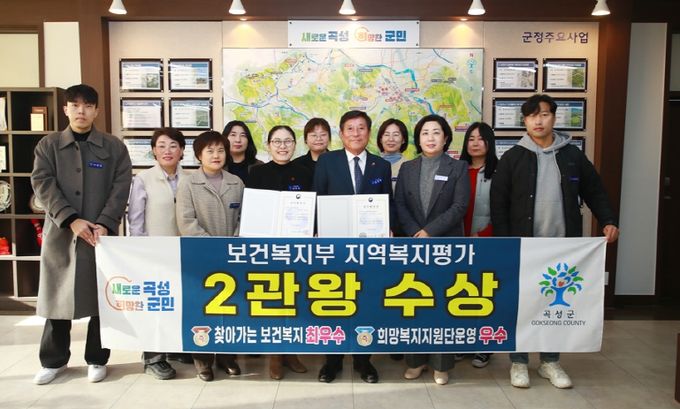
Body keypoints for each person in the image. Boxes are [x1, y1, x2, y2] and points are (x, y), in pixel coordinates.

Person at [491, 93, 619, 389]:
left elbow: (594, 190)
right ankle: (519, 362)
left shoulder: (572, 155)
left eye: (545, 114)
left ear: (554, 117)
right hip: (524, 248)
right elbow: (499, 204)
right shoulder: (513, 157)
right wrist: (504, 243)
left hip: (562, 247)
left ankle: (550, 361)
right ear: (524, 121)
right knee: (522, 304)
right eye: (532, 115)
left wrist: (608, 219)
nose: (538, 120)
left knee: (555, 305)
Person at [31, 84, 132, 385]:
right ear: (65, 109)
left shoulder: (113, 147)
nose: (81, 111)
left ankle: (97, 358)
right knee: (58, 298)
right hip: (62, 233)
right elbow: (42, 184)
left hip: (101, 236)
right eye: (75, 105)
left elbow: (121, 186)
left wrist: (105, 222)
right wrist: (71, 219)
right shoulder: (48, 145)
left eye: (88, 105)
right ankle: (53, 361)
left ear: (96, 110)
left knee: (101, 298)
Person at [313, 110, 393, 384]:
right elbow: (317, 198)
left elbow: (387, 202)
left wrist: (388, 228)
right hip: (334, 247)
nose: (356, 133)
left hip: (369, 248)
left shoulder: (381, 166)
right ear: (341, 134)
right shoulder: (327, 161)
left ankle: (363, 361)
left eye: (361, 128)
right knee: (334, 301)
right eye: (350, 128)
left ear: (369, 133)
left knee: (365, 301)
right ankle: (332, 362)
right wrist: (317, 231)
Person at [394, 114, 469, 386]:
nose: (430, 138)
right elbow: (400, 204)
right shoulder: (408, 168)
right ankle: (415, 361)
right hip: (413, 244)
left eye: (436, 132)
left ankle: (441, 365)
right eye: (425, 133)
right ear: (418, 138)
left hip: (445, 245)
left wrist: (430, 232)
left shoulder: (457, 167)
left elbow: (459, 207)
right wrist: (416, 232)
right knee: (414, 302)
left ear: (446, 137)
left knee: (442, 306)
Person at [176, 130, 245, 382]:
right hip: (200, 256)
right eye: (210, 151)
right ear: (198, 155)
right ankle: (203, 360)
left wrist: (233, 241)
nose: (216, 155)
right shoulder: (188, 183)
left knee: (230, 307)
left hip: (231, 255)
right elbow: (186, 222)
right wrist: (212, 247)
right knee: (202, 307)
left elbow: (244, 218)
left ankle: (227, 357)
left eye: (220, 150)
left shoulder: (236, 183)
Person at [246, 125, 310, 380]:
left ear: (295, 144)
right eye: (277, 141)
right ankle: (275, 355)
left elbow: (312, 207)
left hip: (297, 248)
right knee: (273, 300)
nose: (282, 146)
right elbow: (252, 209)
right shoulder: (257, 172)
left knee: (294, 300)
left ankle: (291, 353)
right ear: (268, 145)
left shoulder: (305, 172)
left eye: (287, 141)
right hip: (267, 248)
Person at [128, 127, 189, 380]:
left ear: (182, 150)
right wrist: (141, 252)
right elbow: (136, 220)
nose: (167, 151)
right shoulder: (143, 179)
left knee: (178, 301)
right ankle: (153, 358)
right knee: (156, 303)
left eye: (173, 145)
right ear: (153, 151)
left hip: (183, 251)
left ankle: (174, 348)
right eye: (161, 146)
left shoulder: (190, 179)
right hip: (154, 252)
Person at [459, 121, 499, 369]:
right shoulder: (458, 170)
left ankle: (484, 345)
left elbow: (502, 210)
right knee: (461, 291)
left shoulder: (499, 172)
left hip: (486, 242)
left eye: (481, 138)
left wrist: (483, 235)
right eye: (471, 139)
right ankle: (463, 342)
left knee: (483, 293)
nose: (475, 143)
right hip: (458, 242)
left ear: (489, 142)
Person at [376, 118, 409, 191]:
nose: (391, 139)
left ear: (403, 140)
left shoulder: (410, 167)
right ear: (380, 139)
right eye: (386, 135)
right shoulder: (372, 165)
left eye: (396, 135)